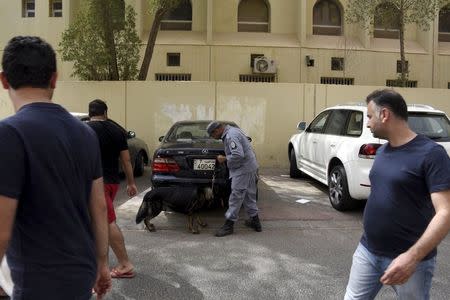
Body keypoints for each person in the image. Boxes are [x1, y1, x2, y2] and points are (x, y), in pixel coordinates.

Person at [0, 36, 111, 299]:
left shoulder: (9, 134)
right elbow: (99, 206)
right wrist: (103, 263)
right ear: (54, 78)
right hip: (81, 271)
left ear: (4, 80)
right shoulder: (85, 134)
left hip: (37, 280)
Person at [344, 89, 450, 299]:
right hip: (368, 250)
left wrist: (412, 257)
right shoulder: (383, 151)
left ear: (384, 115)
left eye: (369, 116)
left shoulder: (431, 154)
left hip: (410, 261)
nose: (367, 123)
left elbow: (445, 213)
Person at [87, 99, 137, 278]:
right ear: (105, 113)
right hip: (113, 182)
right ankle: (101, 265)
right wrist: (131, 183)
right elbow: (126, 160)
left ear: (90, 113)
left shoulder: (85, 129)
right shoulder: (117, 130)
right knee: (99, 222)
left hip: (95, 184)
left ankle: (125, 264)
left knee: (107, 222)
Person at [207, 121, 262, 237]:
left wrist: (224, 158)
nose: (213, 138)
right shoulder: (234, 131)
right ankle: (256, 222)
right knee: (249, 195)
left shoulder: (231, 135)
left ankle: (229, 225)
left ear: (217, 130)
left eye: (212, 135)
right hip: (250, 167)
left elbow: (238, 155)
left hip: (243, 170)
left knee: (236, 197)